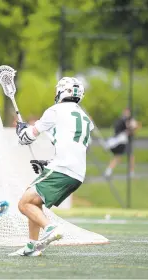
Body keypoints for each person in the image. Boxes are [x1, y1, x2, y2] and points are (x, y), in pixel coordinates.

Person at [9, 77, 93, 257]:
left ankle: (50, 228)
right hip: (76, 173)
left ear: (62, 91)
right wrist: (48, 163)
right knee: (33, 200)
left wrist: (22, 131)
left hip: (63, 168)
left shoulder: (55, 111)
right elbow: (73, 147)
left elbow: (27, 137)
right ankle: (32, 247)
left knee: (23, 204)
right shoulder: (85, 117)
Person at [104, 108, 139, 178]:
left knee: (130, 157)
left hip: (127, 141)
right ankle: (108, 171)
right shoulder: (122, 121)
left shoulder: (130, 120)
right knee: (118, 156)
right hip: (121, 141)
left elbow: (133, 130)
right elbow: (119, 131)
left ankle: (131, 172)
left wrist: (133, 128)